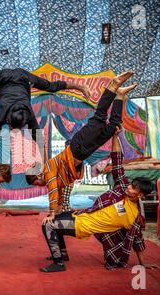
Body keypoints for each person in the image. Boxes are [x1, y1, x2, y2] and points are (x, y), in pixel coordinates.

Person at [40, 129, 156, 272]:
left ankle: (58, 264)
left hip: (83, 226)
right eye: (132, 185)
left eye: (134, 189)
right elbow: (117, 161)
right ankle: (62, 255)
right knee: (52, 219)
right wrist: (114, 135)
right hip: (81, 215)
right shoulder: (122, 188)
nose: (129, 188)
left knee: (48, 225)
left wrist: (142, 264)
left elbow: (138, 241)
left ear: (140, 195)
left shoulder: (133, 217)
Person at [25, 71, 137, 216]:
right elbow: (57, 192)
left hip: (78, 147)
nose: (40, 186)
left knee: (100, 117)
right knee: (114, 127)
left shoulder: (47, 171)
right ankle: (120, 95)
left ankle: (113, 85)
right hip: (84, 151)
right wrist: (58, 207)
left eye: (36, 184)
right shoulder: (54, 176)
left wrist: (52, 212)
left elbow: (52, 190)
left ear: (38, 176)